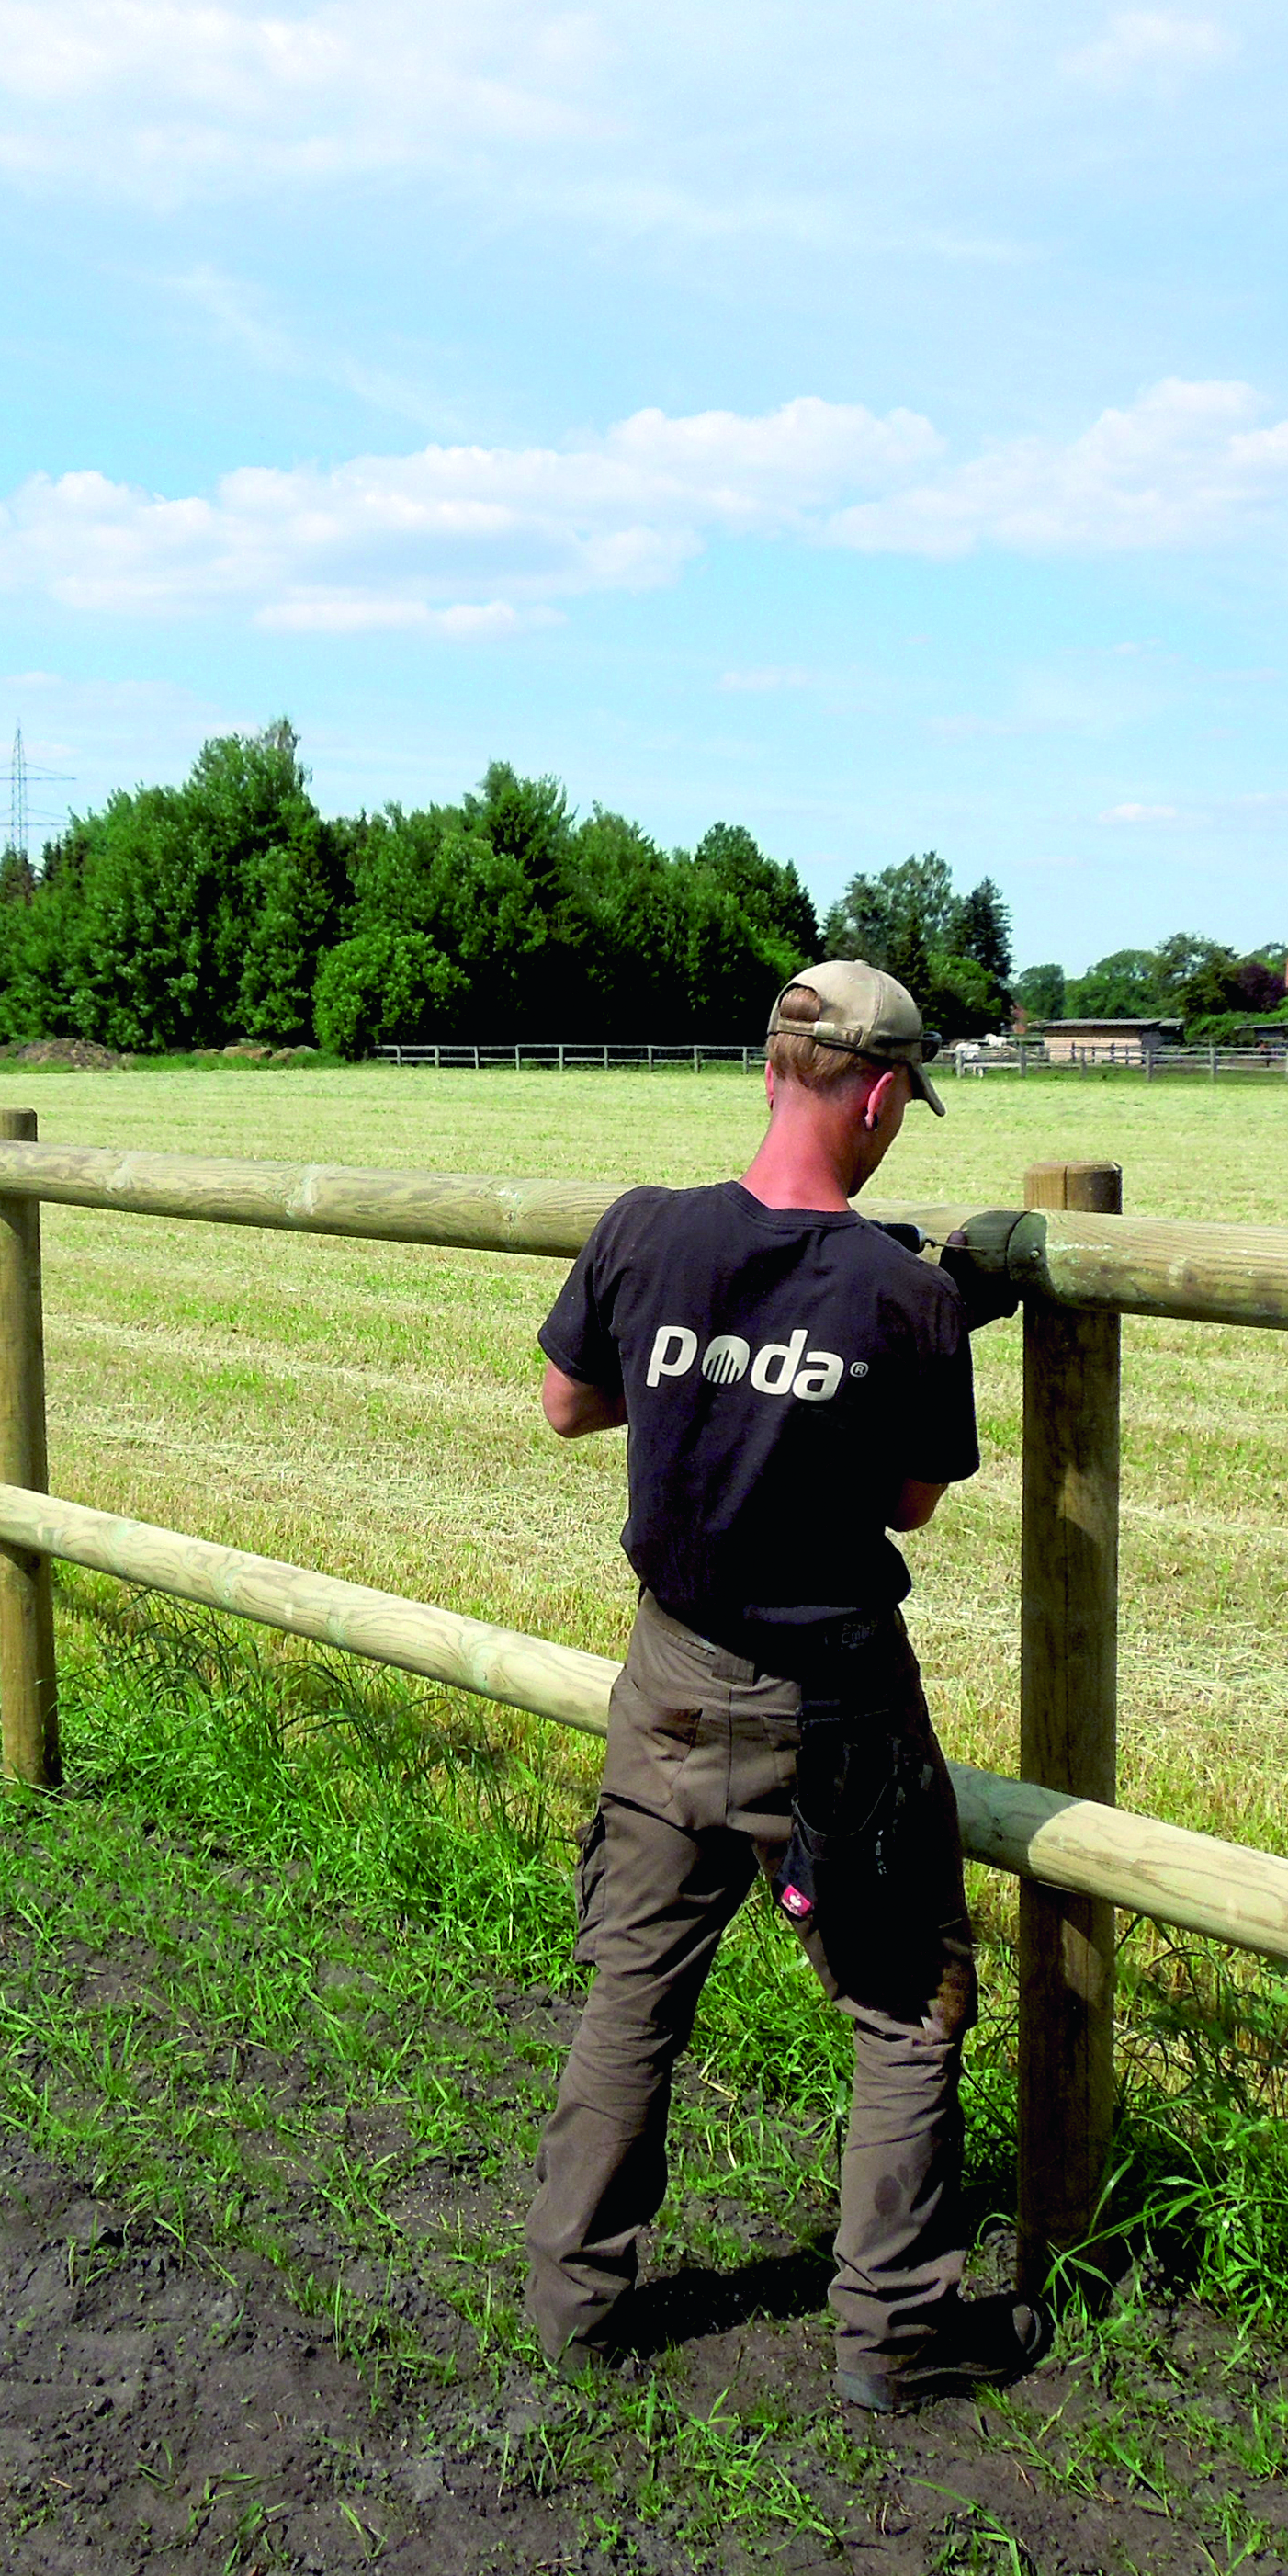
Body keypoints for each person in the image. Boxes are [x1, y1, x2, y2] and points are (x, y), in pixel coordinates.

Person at [524, 960, 1046, 2415]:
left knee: (634, 1988)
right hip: (835, 1707)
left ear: (769, 1071)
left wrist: (710, 1376)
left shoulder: (642, 1232)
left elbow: (568, 1403)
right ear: (878, 1095)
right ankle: (892, 2331)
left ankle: (572, 2298)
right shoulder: (903, 1297)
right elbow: (909, 1499)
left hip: (666, 1676)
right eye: (903, 1104)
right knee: (903, 2010)